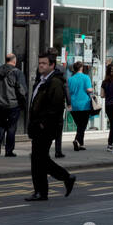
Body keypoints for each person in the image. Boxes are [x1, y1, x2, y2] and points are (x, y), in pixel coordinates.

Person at [25, 51, 75, 201]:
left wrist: (42, 124)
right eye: (40, 63)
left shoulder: (55, 82)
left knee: (38, 159)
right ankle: (44, 190)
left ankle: (60, 180)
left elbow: (55, 106)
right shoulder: (42, 80)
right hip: (38, 126)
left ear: (52, 65)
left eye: (44, 63)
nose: (41, 66)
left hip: (45, 127)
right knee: (39, 158)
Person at [0, 52, 28, 157]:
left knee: (1, 124)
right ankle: (9, 150)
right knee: (11, 127)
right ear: (14, 61)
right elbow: (22, 90)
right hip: (13, 104)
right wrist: (23, 103)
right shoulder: (17, 72)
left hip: (0, 104)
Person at [68, 61, 94, 151]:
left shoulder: (70, 79)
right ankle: (76, 140)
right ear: (81, 68)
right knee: (82, 125)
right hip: (84, 104)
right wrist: (92, 89)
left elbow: (69, 91)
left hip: (74, 105)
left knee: (79, 125)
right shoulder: (86, 77)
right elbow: (88, 89)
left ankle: (81, 144)